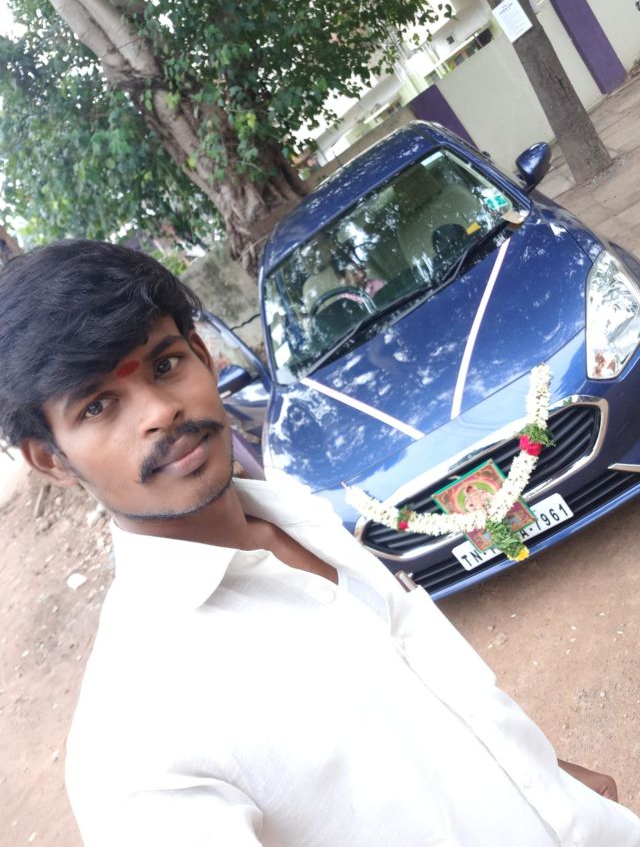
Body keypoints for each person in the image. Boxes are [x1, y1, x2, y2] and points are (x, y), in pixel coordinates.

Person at [0, 239, 638, 847]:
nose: (159, 412)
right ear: (50, 459)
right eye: (98, 406)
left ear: (202, 353)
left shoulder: (301, 514)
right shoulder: (133, 745)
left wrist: (556, 790)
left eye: (165, 365)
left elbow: (433, 697)